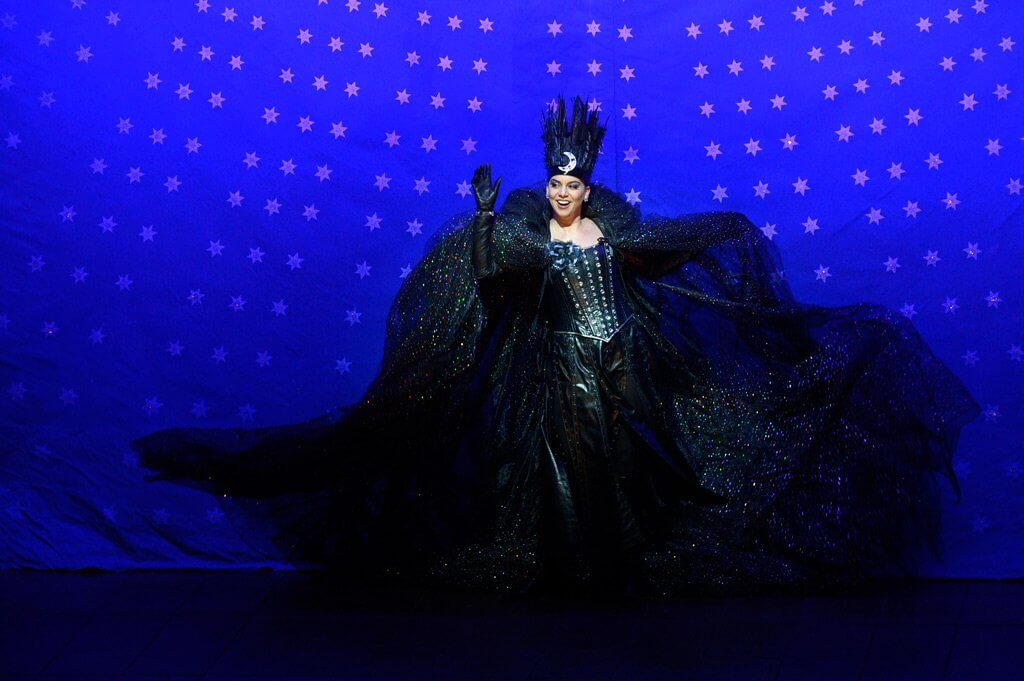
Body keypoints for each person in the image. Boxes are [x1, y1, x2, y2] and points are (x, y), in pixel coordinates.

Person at [131, 95, 980, 601]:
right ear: (547, 183)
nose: (566, 192)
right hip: (566, 365)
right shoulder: (527, 235)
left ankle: (624, 566)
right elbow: (491, 273)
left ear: (588, 182)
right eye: (557, 181)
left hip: (627, 361)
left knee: (641, 463)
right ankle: (579, 573)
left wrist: (726, 229)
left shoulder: (617, 230)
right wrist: (486, 218)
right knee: (572, 466)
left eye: (575, 182)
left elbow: (665, 251)